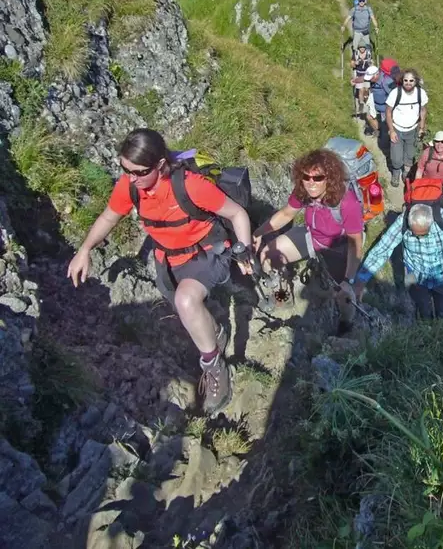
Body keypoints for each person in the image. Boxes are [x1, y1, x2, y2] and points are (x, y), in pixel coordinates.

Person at [66, 129, 255, 414]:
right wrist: (85, 249)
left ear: (160, 165)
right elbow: (109, 216)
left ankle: (215, 367)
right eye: (125, 170)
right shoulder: (130, 186)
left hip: (208, 251)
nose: (132, 178)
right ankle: (214, 331)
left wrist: (244, 249)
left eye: (139, 172)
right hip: (167, 259)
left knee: (186, 301)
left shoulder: (191, 185)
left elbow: (237, 213)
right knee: (185, 308)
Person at [251, 149, 364, 335]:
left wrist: (348, 279)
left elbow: (355, 243)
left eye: (318, 178)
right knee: (268, 255)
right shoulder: (303, 192)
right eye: (306, 177)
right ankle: (283, 295)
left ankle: (346, 323)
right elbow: (287, 213)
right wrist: (259, 233)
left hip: (338, 248)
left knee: (344, 295)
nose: (311, 183)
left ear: (329, 177)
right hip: (311, 237)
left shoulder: (347, 202)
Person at [351, 204, 443, 320]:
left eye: (423, 235)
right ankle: (425, 334)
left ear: (431, 222)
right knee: (422, 313)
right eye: (414, 234)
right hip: (417, 277)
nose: (418, 238)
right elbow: (382, 250)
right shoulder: (402, 222)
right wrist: (360, 280)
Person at [386, 69, 429, 187]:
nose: (408, 83)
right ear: (402, 81)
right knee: (396, 157)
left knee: (410, 155)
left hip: (413, 129)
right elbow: (388, 112)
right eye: (405, 80)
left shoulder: (421, 93)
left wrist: (421, 127)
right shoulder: (395, 93)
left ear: (416, 81)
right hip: (397, 129)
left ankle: (406, 173)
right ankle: (395, 174)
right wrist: (391, 130)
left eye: (411, 80)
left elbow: (423, 110)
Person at [365, 65, 397, 163]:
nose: (369, 80)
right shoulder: (373, 81)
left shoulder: (386, 82)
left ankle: (388, 152)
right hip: (376, 107)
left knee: (386, 131)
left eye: (370, 78)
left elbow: (395, 95)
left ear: (376, 75)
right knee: (369, 117)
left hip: (385, 110)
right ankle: (379, 131)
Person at [351, 45, 373, 116]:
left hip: (367, 75)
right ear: (358, 48)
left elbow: (372, 64)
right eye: (360, 47)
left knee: (366, 90)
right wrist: (355, 63)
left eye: (363, 47)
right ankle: (361, 104)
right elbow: (352, 65)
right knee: (361, 90)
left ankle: (366, 103)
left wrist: (370, 63)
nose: (362, 49)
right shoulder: (356, 54)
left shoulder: (368, 53)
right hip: (359, 74)